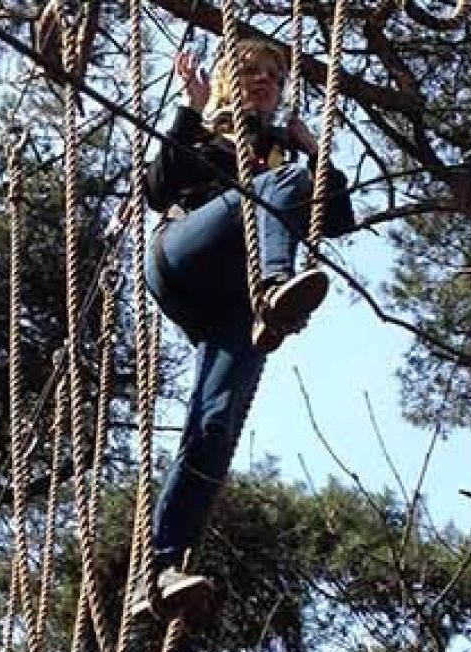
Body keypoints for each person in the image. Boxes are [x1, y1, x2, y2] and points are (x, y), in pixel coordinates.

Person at [131, 36, 356, 621]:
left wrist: (316, 154)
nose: (263, 82)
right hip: (182, 257)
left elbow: (338, 220)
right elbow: (156, 190)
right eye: (251, 72)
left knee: (215, 424)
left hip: (233, 308)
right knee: (280, 186)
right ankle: (275, 290)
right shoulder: (206, 133)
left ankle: (158, 571)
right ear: (230, 81)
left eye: (273, 77)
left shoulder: (285, 152)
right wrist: (191, 107)